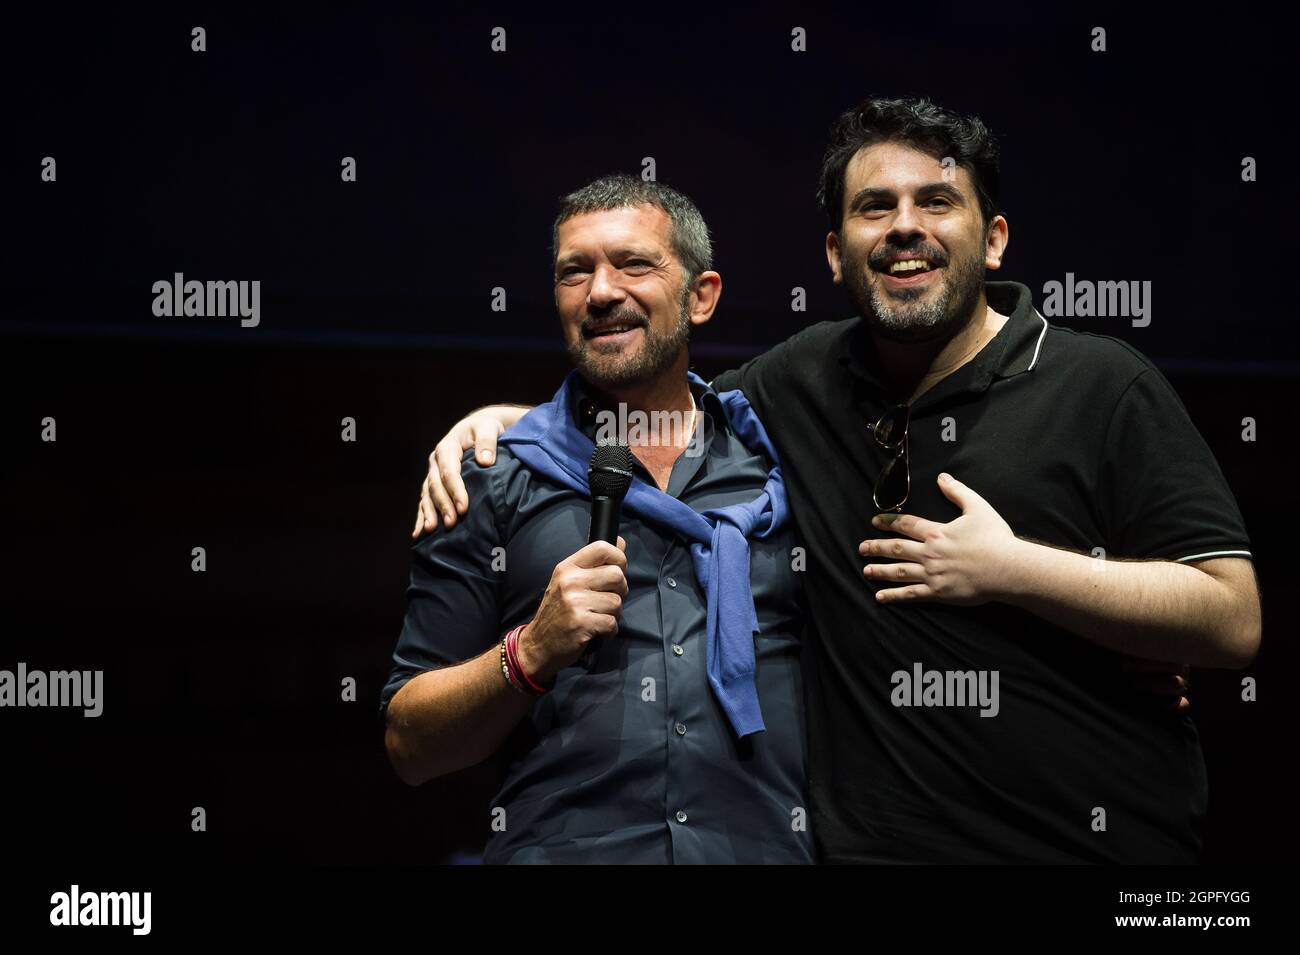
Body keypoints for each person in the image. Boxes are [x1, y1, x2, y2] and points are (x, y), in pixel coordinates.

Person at [416, 96, 1259, 863]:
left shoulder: (1103, 385)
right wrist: (509, 422)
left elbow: (1231, 618)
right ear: (833, 251)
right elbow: (650, 384)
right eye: (873, 208)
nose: (903, 226)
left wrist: (1016, 570)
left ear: (993, 236)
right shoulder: (798, 383)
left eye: (935, 200)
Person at [381, 175, 814, 864]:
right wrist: (529, 653)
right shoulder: (492, 474)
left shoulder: (785, 466)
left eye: (633, 263)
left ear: (701, 296)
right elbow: (409, 743)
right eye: (574, 272)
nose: (601, 291)